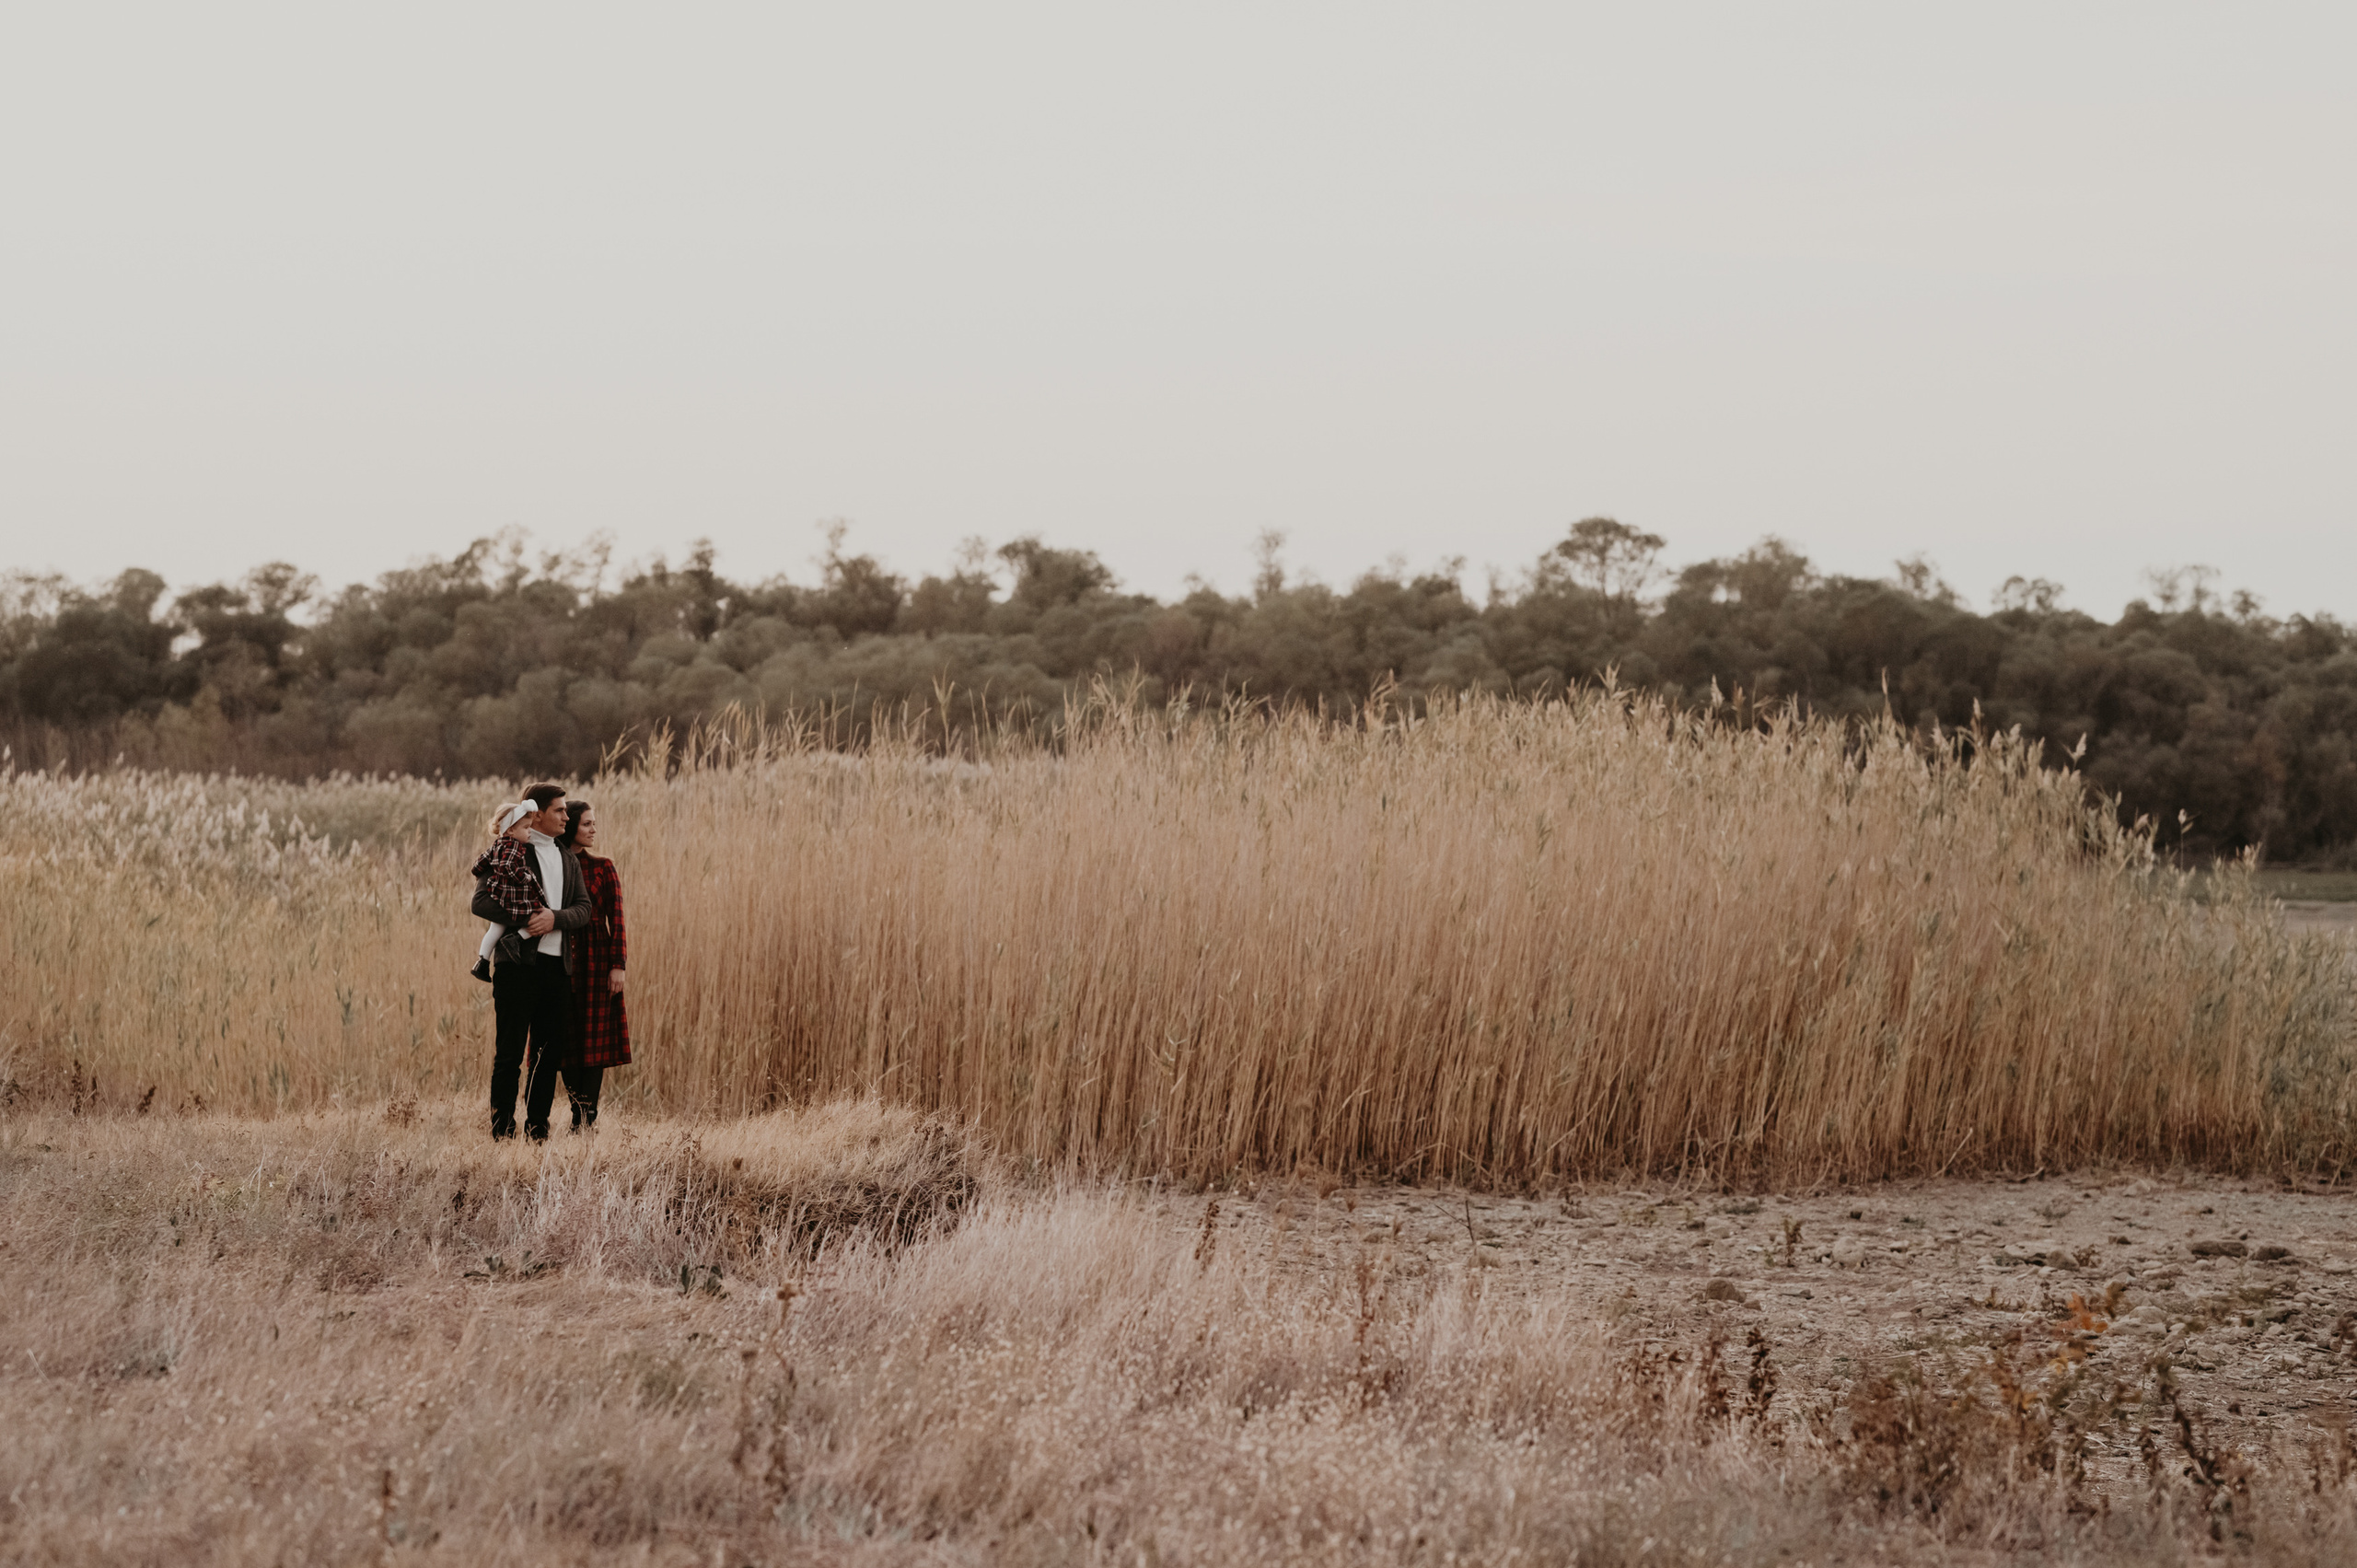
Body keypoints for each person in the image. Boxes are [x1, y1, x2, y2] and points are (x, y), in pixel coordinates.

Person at [471, 783, 590, 1141]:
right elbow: (480, 902)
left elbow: (583, 909)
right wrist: (526, 918)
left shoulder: (568, 859)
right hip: (516, 966)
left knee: (547, 1055)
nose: (566, 817)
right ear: (537, 814)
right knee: (509, 1054)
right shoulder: (510, 850)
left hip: (558, 969)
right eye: (559, 810)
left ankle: (537, 1131)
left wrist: (554, 918)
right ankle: (502, 1131)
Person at [554, 799, 630, 1130]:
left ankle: (587, 1119)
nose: (594, 829)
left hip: (598, 960)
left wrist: (618, 965)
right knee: (566, 1040)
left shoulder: (603, 867)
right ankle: (578, 1113)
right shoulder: (552, 862)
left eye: (593, 823)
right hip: (560, 956)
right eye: (587, 824)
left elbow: (618, 919)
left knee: (594, 1041)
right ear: (571, 825)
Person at [469, 803, 538, 982]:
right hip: (513, 895)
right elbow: (508, 866)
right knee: (539, 917)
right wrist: (524, 877)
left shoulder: (496, 845)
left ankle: (482, 961)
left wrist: (481, 873)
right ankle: (515, 939)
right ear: (511, 830)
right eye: (526, 827)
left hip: (498, 894)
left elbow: (478, 865)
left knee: (495, 929)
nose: (530, 831)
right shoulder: (515, 846)